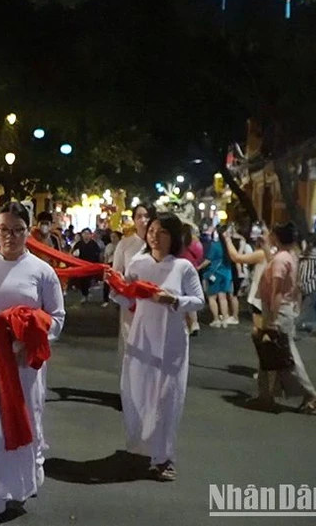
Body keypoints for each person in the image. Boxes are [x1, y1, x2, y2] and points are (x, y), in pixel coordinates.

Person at [0, 201, 65, 523]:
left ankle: (26, 472)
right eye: (4, 229)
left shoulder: (42, 271)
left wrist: (31, 339)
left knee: (25, 418)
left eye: (17, 230)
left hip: (24, 360)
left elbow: (57, 318)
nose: (10, 236)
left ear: (27, 232)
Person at [110, 212, 205, 481]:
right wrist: (115, 287)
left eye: (161, 231)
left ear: (172, 237)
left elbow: (198, 300)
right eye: (152, 230)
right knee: (138, 391)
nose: (154, 235)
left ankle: (164, 457)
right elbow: (124, 297)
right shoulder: (138, 264)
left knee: (167, 396)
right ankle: (142, 445)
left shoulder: (183, 267)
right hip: (141, 336)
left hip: (172, 339)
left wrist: (174, 300)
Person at [258, 222, 316, 413]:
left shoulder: (282, 259)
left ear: (277, 237)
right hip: (284, 310)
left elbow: (277, 291)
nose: (269, 235)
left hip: (278, 311)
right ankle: (266, 394)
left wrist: (272, 317)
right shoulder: (289, 256)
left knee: (285, 355)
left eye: (271, 233)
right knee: (275, 353)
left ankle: (311, 394)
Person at [112, 203, 154, 361]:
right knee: (130, 341)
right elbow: (115, 272)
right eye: (139, 216)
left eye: (146, 216)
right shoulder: (126, 243)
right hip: (131, 300)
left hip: (153, 300)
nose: (143, 220)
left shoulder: (158, 243)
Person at [222, 225, 269, 330]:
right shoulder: (274, 252)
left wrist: (227, 239)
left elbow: (236, 257)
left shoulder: (262, 254)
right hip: (268, 294)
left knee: (260, 330)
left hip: (260, 295)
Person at [200, 226, 233, 328]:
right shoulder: (228, 246)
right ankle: (225, 319)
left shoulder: (215, 245)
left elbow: (208, 260)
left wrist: (198, 267)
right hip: (226, 273)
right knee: (223, 297)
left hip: (214, 274)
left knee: (212, 297)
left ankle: (216, 319)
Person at [179, 224, 204, 336]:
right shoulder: (196, 243)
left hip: (179, 271)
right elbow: (200, 256)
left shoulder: (179, 243)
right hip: (193, 270)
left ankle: (187, 323)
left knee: (182, 297)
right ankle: (195, 323)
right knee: (192, 297)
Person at [72, 228, 102, 303]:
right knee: (82, 280)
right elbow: (73, 253)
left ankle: (87, 293)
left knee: (89, 280)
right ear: (82, 235)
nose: (86, 235)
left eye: (88, 233)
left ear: (90, 235)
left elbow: (98, 254)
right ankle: (84, 295)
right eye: (84, 233)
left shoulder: (94, 244)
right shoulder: (79, 244)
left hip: (91, 265)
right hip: (80, 265)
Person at [101, 231, 121, 307]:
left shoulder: (121, 245)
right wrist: (105, 267)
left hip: (118, 265)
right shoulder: (109, 246)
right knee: (107, 283)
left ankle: (118, 300)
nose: (113, 238)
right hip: (110, 264)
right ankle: (105, 300)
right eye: (111, 237)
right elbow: (106, 257)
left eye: (114, 237)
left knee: (118, 283)